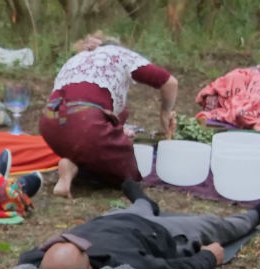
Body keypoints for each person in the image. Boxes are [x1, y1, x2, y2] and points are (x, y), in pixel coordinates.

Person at [17, 183, 260, 269]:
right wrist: (210, 256)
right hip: (125, 224)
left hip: (127, 223)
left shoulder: (124, 265)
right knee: (216, 225)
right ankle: (256, 215)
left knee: (219, 227)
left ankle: (144, 200)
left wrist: (210, 254)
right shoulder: (124, 268)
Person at [39, 34, 179, 196]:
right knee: (130, 176)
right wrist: (165, 113)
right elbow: (170, 82)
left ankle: (70, 166)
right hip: (84, 121)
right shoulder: (118, 55)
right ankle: (81, 168)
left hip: (50, 125)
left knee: (92, 141)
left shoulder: (77, 60)